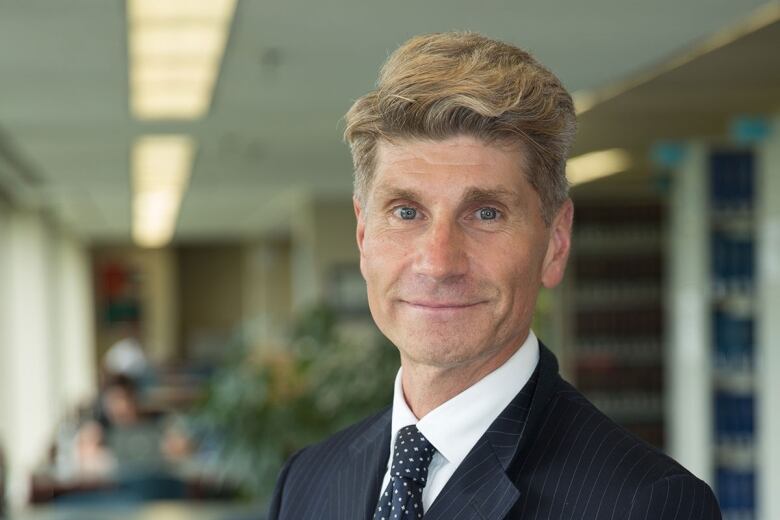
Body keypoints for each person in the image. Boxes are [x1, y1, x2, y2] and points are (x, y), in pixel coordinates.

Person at [269, 32, 722, 519]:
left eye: (485, 214)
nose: (439, 262)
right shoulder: (309, 480)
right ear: (364, 237)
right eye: (406, 212)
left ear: (555, 243)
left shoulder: (646, 504)